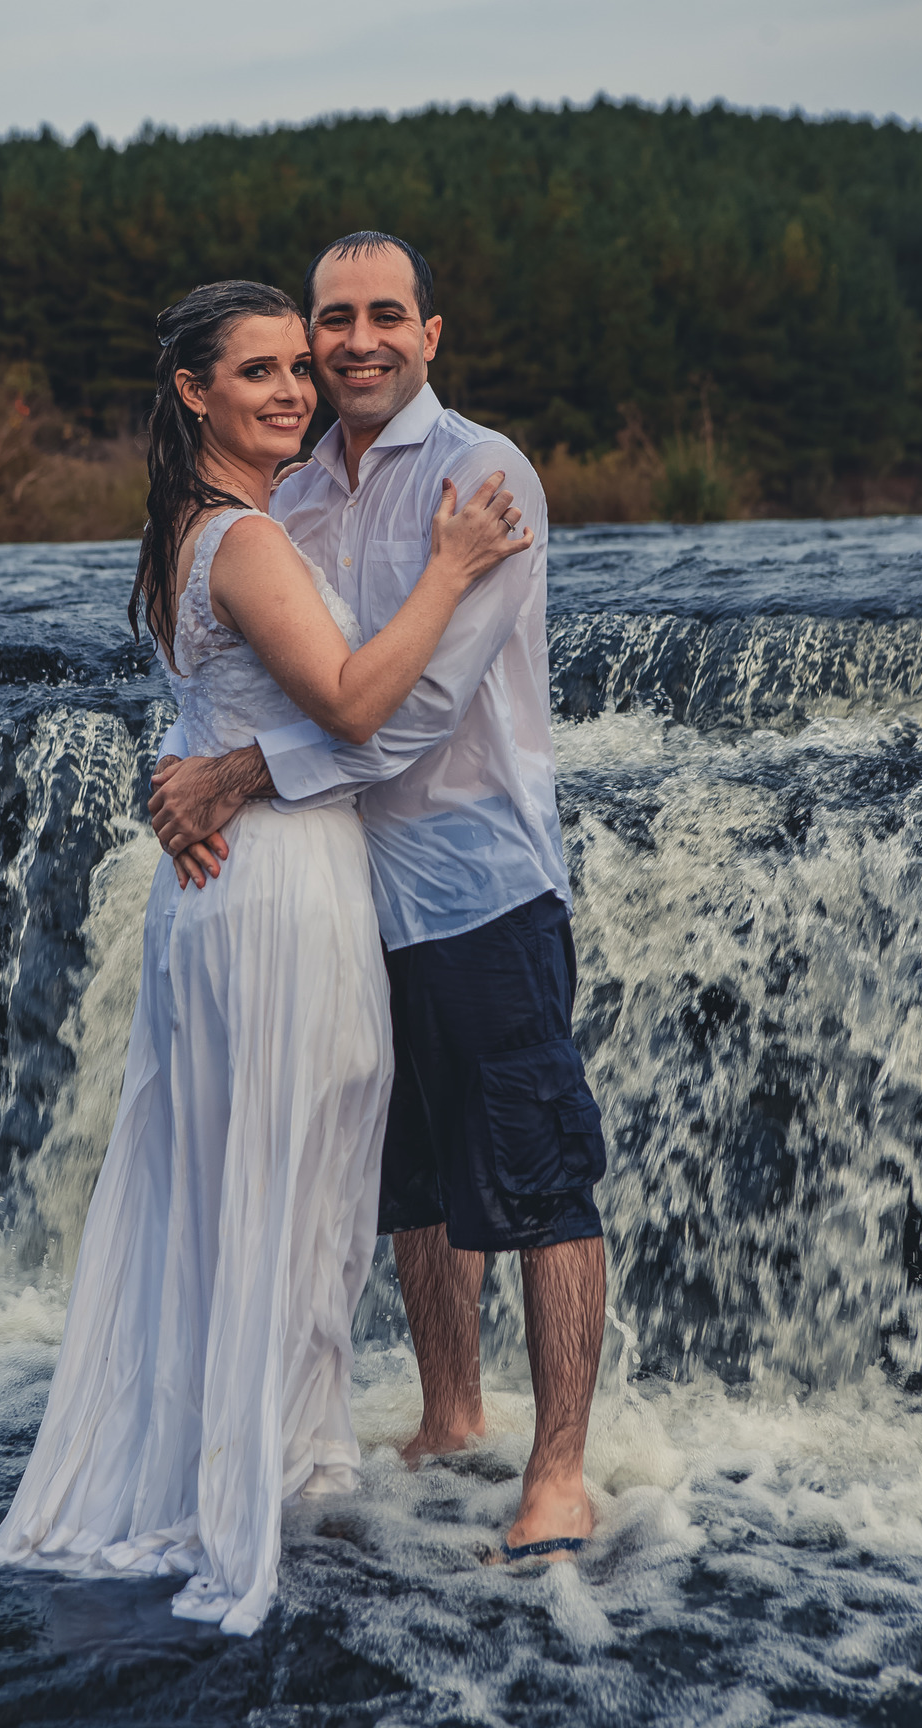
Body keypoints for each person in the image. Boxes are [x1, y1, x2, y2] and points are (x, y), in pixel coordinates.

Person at [0, 279, 530, 1634]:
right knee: (286, 1172)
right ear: (192, 392)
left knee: (243, 1177)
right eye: (256, 370)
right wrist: (450, 569)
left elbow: (205, 712)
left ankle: (256, 1454)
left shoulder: (183, 530)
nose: (291, 389)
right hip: (276, 889)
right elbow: (355, 702)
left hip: (229, 886)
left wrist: (189, 782)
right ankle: (252, 1475)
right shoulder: (249, 540)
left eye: (295, 368)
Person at [149, 233, 608, 1564]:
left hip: (476, 883)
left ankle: (560, 1474)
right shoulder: (287, 492)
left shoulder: (484, 475)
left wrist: (237, 775)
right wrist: (175, 778)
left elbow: (412, 711)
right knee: (405, 1180)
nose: (354, 343)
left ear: (430, 333)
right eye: (332, 320)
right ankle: (451, 1413)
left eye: (383, 316)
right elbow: (230, 667)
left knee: (540, 1178)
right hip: (343, 894)